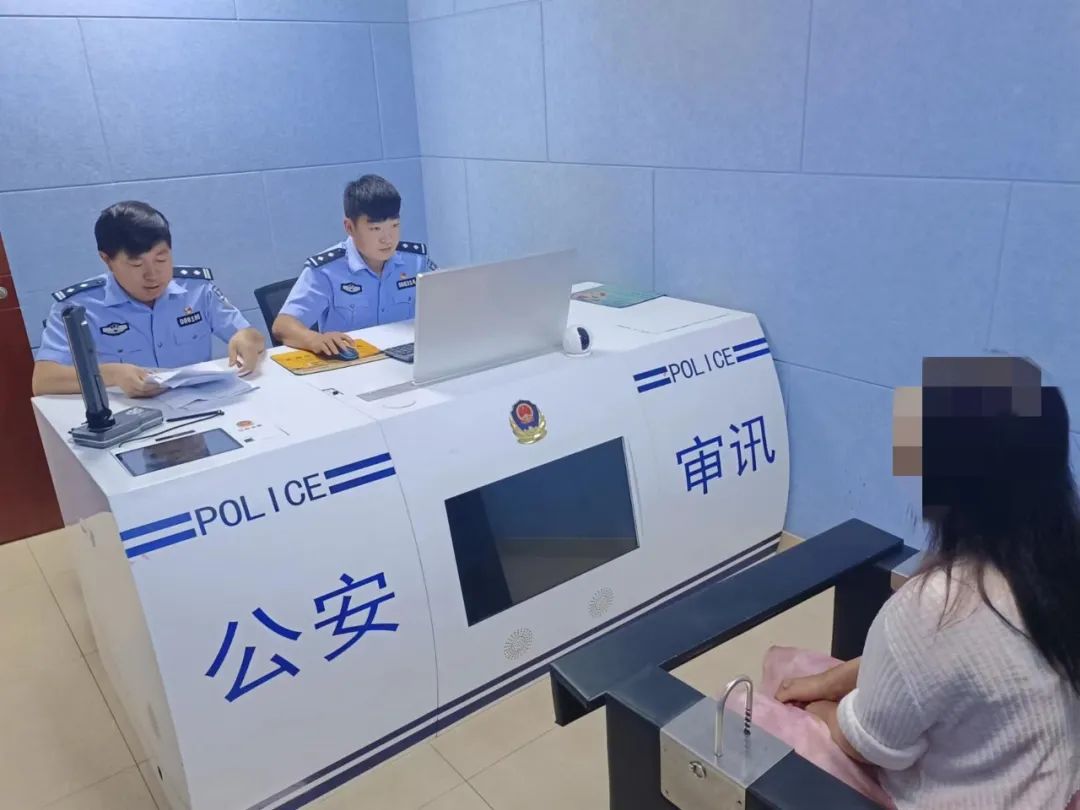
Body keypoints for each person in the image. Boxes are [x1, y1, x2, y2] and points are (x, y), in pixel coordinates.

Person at [764, 356, 1080, 809]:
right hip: (1049, 791)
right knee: (810, 675)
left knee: (759, 709)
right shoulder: (1059, 571)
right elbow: (945, 673)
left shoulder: (935, 608)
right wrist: (831, 681)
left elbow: (867, 744)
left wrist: (816, 711)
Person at [32, 201, 265, 398]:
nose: (152, 275)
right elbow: (44, 380)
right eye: (136, 264)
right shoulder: (78, 307)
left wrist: (247, 338)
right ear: (107, 260)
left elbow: (249, 335)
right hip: (131, 418)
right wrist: (112, 374)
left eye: (161, 259)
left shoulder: (197, 289)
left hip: (203, 407)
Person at [271, 174, 436, 355]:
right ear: (349, 227)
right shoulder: (326, 270)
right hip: (354, 363)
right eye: (376, 229)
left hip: (409, 358)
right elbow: (283, 325)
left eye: (394, 226)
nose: (388, 239)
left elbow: (449, 301)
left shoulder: (416, 261)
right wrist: (314, 339)